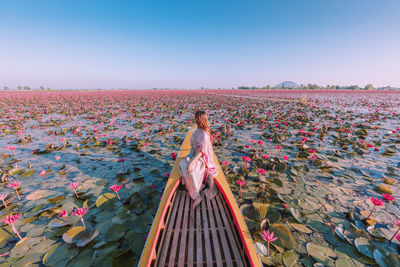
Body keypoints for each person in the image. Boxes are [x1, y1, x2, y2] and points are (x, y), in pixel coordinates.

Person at [178, 110, 219, 210]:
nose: (194, 120)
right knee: (182, 164)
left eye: (196, 118)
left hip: (202, 159)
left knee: (190, 170)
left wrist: (192, 162)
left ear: (199, 120)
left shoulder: (204, 134)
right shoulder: (198, 130)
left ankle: (197, 196)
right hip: (194, 155)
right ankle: (196, 188)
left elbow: (203, 151)